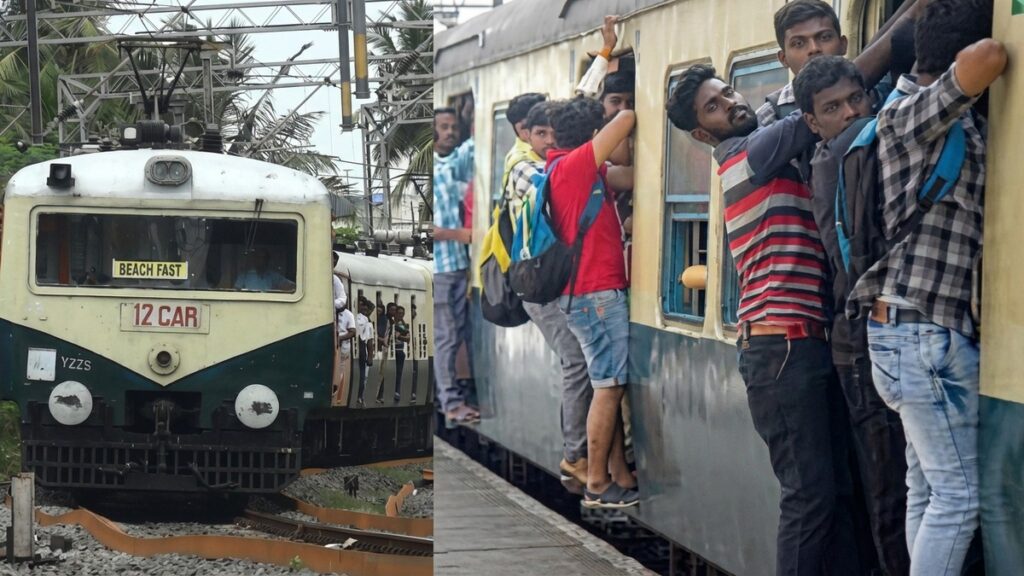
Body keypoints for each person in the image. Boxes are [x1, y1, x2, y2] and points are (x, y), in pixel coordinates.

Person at [667, 64, 860, 576]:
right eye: (714, 106)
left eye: (727, 91)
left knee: (835, 491)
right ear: (704, 134)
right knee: (810, 496)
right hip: (782, 351)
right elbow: (822, 98)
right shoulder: (747, 155)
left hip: (802, 344)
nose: (730, 102)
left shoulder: (767, 152)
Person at [843, 1, 1005, 572]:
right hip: (923, 335)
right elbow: (988, 55)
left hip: (906, 333)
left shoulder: (936, 117)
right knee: (959, 501)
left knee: (929, 491)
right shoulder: (909, 112)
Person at [794, 55, 912, 576]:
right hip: (862, 346)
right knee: (889, 488)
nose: (849, 112)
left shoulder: (839, 151)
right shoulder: (845, 155)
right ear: (813, 123)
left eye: (856, 99)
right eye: (832, 107)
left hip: (862, 344)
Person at [547, 97, 636, 508]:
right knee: (608, 386)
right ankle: (597, 482)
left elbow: (627, 173)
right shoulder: (575, 167)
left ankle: (617, 472)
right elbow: (628, 120)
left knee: (608, 385)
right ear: (590, 135)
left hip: (587, 293)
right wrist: (614, 115)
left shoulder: (568, 167)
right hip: (595, 294)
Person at [505, 99, 594, 492]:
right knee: (575, 360)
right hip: (540, 286)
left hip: (552, 283)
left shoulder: (542, 162)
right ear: (525, 133)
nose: (547, 140)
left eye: (552, 134)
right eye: (540, 133)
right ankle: (574, 455)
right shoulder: (525, 167)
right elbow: (557, 189)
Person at [433, 107, 479, 424]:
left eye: (454, 127)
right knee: (447, 337)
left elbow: (475, 147)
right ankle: (450, 403)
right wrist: (459, 235)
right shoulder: (429, 171)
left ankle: (453, 399)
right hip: (439, 267)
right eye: (443, 127)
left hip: (458, 266)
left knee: (457, 334)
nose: (450, 132)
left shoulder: (453, 165)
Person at [355, 298, 376, 408]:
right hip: (361, 347)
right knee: (363, 375)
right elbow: (370, 340)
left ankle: (360, 396)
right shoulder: (361, 319)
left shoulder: (365, 320)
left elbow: (370, 339)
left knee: (363, 375)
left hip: (361, 348)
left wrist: (370, 355)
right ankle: (360, 397)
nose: (364, 309)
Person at [336, 304, 357, 405]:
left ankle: (338, 397)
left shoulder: (349, 315)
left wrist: (340, 338)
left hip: (343, 346)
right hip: (332, 343)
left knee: (340, 369)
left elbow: (353, 332)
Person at [392, 306, 410, 404]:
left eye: (402, 313)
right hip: (392, 350)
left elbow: (407, 338)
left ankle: (397, 391)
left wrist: (400, 336)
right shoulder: (392, 323)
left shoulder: (403, 325)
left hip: (399, 350)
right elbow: (395, 336)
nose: (400, 314)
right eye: (399, 312)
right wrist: (401, 336)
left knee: (399, 372)